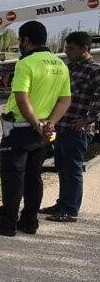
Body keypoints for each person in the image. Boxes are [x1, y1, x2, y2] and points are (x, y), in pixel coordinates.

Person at [0, 20, 71, 237]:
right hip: (43, 133)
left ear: (26, 40)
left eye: (20, 40)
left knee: (13, 177)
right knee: (33, 176)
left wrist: (35, 124)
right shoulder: (60, 64)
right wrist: (49, 124)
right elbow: (65, 100)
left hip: (20, 129)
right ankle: (29, 222)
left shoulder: (26, 63)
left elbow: (22, 98)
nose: (20, 44)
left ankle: (7, 222)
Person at [42, 31, 100, 222]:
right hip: (63, 126)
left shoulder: (93, 70)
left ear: (85, 49)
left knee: (73, 169)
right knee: (62, 167)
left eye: (71, 48)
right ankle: (62, 204)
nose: (67, 51)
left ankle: (71, 210)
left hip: (78, 129)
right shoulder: (70, 68)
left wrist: (88, 120)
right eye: (66, 47)